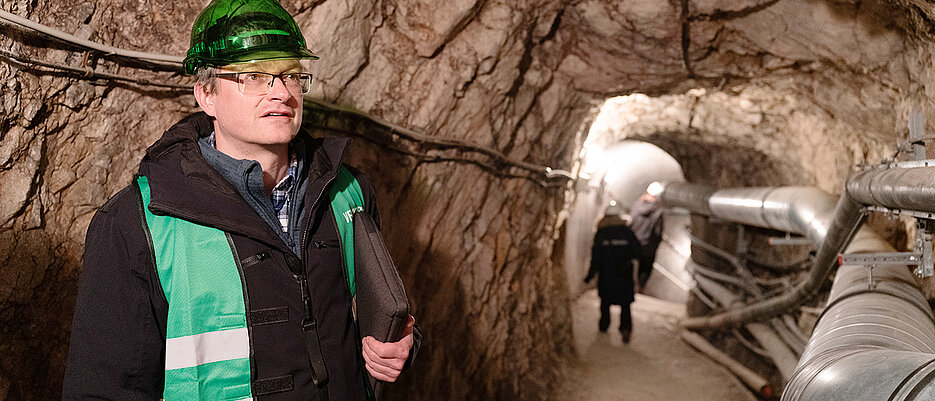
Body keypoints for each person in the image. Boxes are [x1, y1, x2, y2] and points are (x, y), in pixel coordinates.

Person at [62, 1, 420, 399]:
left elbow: (374, 312)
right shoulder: (139, 221)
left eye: (291, 75)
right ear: (206, 95)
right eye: (254, 76)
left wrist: (402, 340)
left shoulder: (348, 192)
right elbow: (102, 390)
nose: (282, 92)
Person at [584, 203, 642, 343]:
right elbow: (637, 252)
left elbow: (596, 258)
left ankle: (604, 325)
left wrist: (590, 275)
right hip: (624, 275)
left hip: (607, 274)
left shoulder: (601, 233)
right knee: (625, 305)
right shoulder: (627, 232)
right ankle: (625, 330)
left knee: (605, 302)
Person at [629, 182, 665, 290]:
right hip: (648, 247)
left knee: (629, 265)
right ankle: (639, 288)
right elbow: (658, 232)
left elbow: (630, 223)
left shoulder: (636, 205)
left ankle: (628, 286)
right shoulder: (658, 211)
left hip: (632, 243)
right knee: (645, 268)